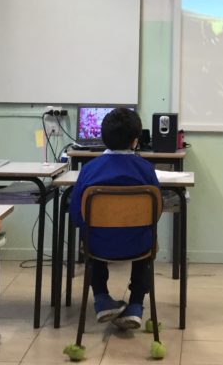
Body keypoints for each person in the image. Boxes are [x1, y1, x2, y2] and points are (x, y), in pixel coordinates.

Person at [70, 107, 160, 329]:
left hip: (98, 246)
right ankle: (136, 304)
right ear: (135, 141)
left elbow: (76, 216)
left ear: (103, 138)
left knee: (90, 235)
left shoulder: (89, 170)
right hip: (138, 246)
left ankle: (101, 298)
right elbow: (155, 214)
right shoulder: (146, 170)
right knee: (148, 238)